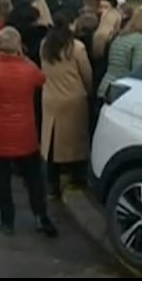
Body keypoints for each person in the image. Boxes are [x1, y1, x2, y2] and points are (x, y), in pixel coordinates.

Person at [0, 27, 58, 237]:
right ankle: (40, 214)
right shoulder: (28, 69)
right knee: (34, 178)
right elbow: (41, 79)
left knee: (1, 179)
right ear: (18, 45)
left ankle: (7, 220)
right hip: (24, 134)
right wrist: (24, 57)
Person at [40, 11, 93, 197]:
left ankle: (52, 183)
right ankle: (76, 179)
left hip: (50, 97)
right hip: (73, 99)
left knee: (52, 141)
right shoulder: (77, 47)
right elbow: (86, 73)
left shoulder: (45, 45)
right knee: (75, 141)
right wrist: (89, 90)